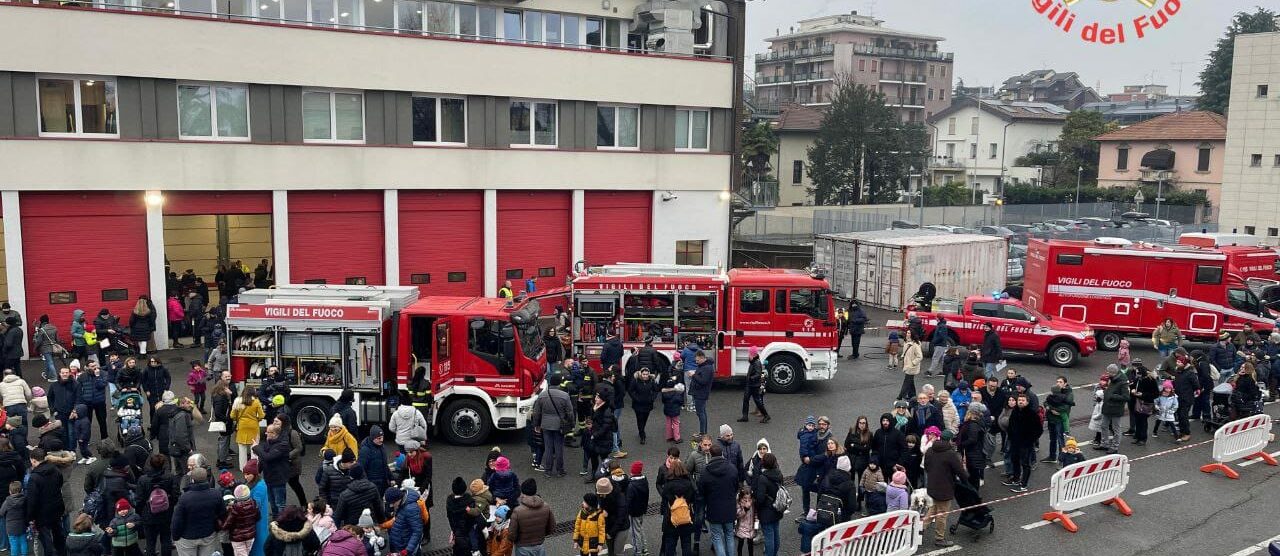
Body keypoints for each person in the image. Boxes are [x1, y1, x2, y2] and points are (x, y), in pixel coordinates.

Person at [922, 431, 967, 548]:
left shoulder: (930, 450)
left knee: (933, 508)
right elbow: (960, 471)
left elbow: (926, 466)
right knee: (942, 514)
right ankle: (939, 538)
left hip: (932, 486)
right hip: (945, 489)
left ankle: (920, 528)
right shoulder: (950, 454)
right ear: (949, 440)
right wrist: (966, 479)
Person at [531, 371, 574, 478]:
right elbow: (570, 412)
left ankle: (548, 471)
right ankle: (560, 470)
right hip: (559, 425)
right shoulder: (564, 395)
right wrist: (571, 423)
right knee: (559, 448)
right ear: (560, 383)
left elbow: (536, 412)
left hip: (545, 425)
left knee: (548, 448)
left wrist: (536, 425)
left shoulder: (542, 395)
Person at [699, 443, 738, 556]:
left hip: (713, 509)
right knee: (729, 535)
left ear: (711, 455)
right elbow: (736, 487)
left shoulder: (705, 472)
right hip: (729, 508)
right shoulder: (731, 468)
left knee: (717, 537)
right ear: (722, 454)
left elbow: (701, 492)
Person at [27, 448, 68, 556]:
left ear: (33, 460)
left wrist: (30, 517)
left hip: (42, 513)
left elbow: (32, 500)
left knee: (46, 539)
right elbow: (60, 483)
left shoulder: (34, 478)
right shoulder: (55, 469)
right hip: (56, 507)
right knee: (59, 534)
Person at [1004, 393, 1041, 493]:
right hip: (1015, 442)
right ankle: (1016, 479)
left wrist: (1030, 441)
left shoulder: (1032, 414)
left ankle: (1024, 485)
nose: (1020, 401)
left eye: (1023, 400)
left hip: (1025, 444)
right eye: (1019, 400)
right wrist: (1011, 436)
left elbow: (1038, 430)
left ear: (1027, 402)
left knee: (1025, 464)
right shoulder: (1015, 411)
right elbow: (1011, 425)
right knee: (1014, 460)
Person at [509, 478, 554, 556]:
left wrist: (516, 541)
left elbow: (512, 533)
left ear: (523, 492)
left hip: (523, 547)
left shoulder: (517, 511)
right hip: (540, 545)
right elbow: (552, 527)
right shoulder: (546, 507)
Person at [659, 459, 695, 556]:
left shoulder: (668, 485)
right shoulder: (688, 484)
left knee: (670, 544)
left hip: (671, 519)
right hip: (686, 517)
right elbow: (693, 498)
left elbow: (664, 501)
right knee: (686, 544)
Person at [749, 453, 782, 556]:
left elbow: (760, 498)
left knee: (768, 536)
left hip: (766, 511)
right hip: (777, 508)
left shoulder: (763, 478)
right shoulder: (778, 474)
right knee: (775, 534)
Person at [1098, 365, 1129, 454]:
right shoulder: (1113, 379)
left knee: (1116, 429)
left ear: (1113, 373)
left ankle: (1115, 447)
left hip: (1116, 408)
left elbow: (1126, 397)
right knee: (1104, 426)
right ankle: (1104, 444)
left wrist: (1111, 395)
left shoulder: (1123, 383)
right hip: (1108, 406)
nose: (1107, 373)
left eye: (1108, 372)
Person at [1042, 376, 1074, 462]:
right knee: (1052, 439)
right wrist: (1050, 408)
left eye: (1060, 382)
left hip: (1060, 420)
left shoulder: (1069, 394)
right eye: (1057, 382)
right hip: (1051, 419)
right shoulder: (1055, 391)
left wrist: (1051, 408)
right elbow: (1045, 402)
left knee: (1061, 441)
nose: (1058, 383)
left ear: (1065, 384)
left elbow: (1066, 407)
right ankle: (1052, 457)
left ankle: (1062, 460)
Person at [628, 367, 660, 444]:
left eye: (646, 374)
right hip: (638, 404)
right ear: (641, 374)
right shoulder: (635, 380)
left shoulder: (652, 381)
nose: (645, 376)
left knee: (644, 419)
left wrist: (652, 398)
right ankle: (642, 435)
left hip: (648, 404)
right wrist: (636, 398)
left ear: (649, 374)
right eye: (643, 374)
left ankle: (641, 430)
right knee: (639, 419)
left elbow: (656, 390)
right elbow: (630, 390)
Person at [738, 347, 770, 424]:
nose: (748, 355)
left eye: (749, 354)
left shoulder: (756, 363)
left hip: (753, 385)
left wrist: (751, 378)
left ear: (752, 354)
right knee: (746, 399)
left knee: (757, 401)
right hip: (751, 384)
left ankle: (766, 415)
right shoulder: (754, 361)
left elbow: (758, 374)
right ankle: (745, 416)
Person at [1130, 364, 1158, 446]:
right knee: (1137, 420)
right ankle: (1137, 436)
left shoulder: (1151, 380)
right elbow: (1133, 386)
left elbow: (1155, 394)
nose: (1137, 374)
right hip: (1136, 403)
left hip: (1145, 403)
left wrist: (1142, 395)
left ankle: (1143, 438)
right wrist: (1132, 390)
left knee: (1143, 421)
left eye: (1138, 373)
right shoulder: (1138, 379)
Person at [688, 351, 715, 436]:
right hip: (700, 393)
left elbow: (703, 381)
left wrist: (693, 375)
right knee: (702, 412)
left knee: (700, 413)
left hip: (700, 393)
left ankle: (703, 433)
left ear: (703, 358)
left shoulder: (706, 368)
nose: (696, 362)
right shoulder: (705, 366)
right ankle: (703, 432)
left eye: (698, 360)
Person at [660, 363, 685, 443]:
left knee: (668, 423)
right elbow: (680, 402)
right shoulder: (677, 393)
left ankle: (669, 436)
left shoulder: (664, 393)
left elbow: (663, 401)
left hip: (667, 410)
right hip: (675, 411)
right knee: (676, 423)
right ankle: (677, 438)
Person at [34, 314, 62, 381]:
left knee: (50, 362)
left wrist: (35, 348)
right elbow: (57, 339)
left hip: (45, 349)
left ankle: (54, 377)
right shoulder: (54, 328)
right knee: (48, 361)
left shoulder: (42, 330)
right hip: (53, 347)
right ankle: (46, 374)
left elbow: (39, 341)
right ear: (48, 320)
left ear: (41, 322)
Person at [899, 331, 923, 401]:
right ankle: (912, 395)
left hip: (911, 366)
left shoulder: (915, 345)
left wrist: (913, 363)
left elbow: (920, 356)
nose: (907, 334)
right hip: (907, 365)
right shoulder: (906, 342)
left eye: (909, 333)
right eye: (907, 332)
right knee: (910, 381)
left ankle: (901, 395)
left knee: (907, 381)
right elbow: (904, 352)